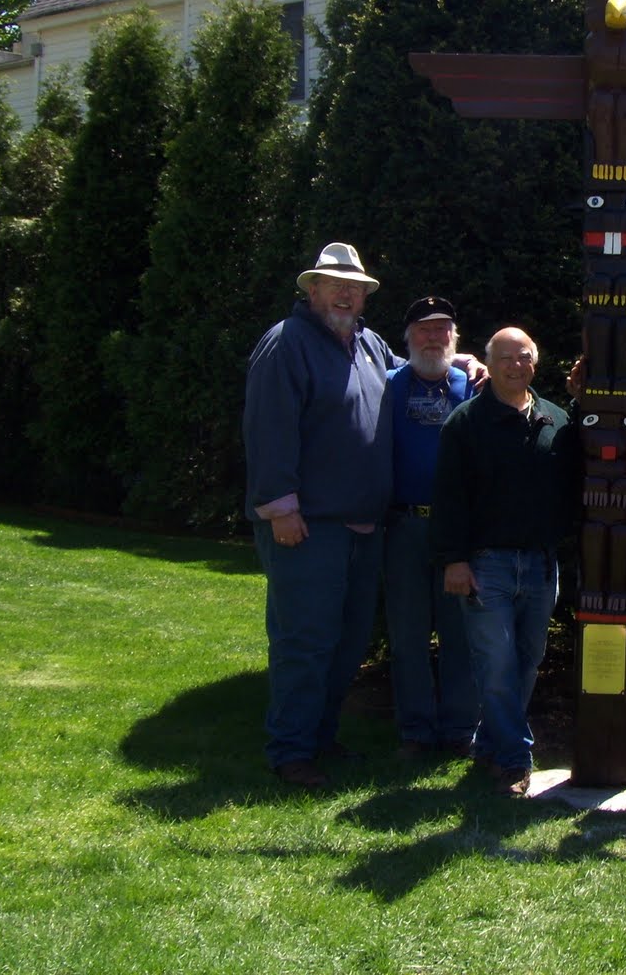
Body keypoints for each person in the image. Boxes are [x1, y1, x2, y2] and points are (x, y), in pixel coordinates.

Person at [242, 241, 483, 791]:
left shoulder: (367, 346)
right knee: (305, 640)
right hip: (308, 524)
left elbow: (414, 367)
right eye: (335, 286)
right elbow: (269, 429)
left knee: (347, 642)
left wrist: (464, 361)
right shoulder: (287, 343)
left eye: (355, 288)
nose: (346, 295)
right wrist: (280, 508)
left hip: (364, 527)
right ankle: (291, 751)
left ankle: (321, 738)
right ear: (312, 290)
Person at [432, 327, 578, 797]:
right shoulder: (465, 423)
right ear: (489, 364)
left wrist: (580, 402)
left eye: (524, 357)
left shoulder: (555, 420)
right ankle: (516, 760)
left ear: (536, 362)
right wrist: (454, 560)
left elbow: (576, 478)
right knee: (496, 663)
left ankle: (490, 742)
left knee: (528, 661)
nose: (516, 366)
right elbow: (449, 498)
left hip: (540, 564)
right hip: (485, 565)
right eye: (506, 358)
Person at [382, 296, 478, 759]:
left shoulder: (473, 384)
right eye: (424, 329)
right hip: (403, 526)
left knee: (460, 632)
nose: (434, 338)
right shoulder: (388, 385)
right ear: (408, 337)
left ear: (454, 338)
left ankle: (460, 727)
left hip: (456, 529)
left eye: (443, 329)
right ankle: (416, 730)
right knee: (407, 634)